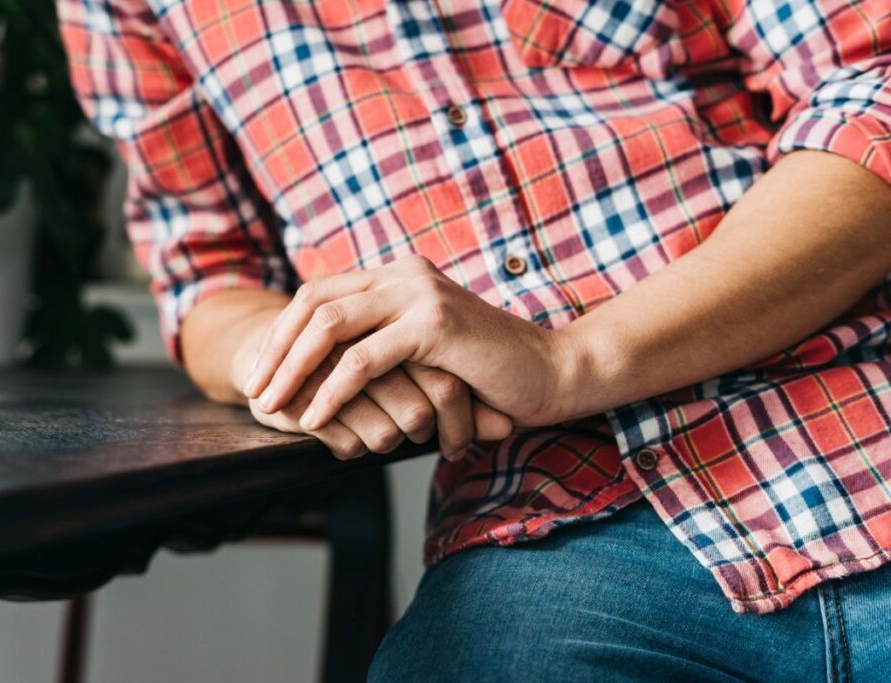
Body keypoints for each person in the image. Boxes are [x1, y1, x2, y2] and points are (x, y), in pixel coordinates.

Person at [58, 0, 891, 679]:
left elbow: (874, 89)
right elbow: (209, 275)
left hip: (860, 423)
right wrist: (305, 349)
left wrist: (573, 358)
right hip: (557, 536)